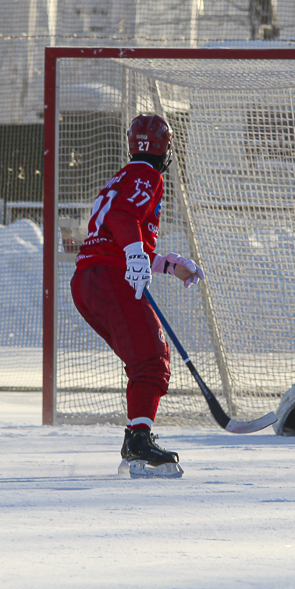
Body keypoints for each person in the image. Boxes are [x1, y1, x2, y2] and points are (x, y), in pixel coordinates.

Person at [69, 113, 205, 478]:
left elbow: (116, 230)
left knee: (143, 358)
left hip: (89, 280)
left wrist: (166, 265)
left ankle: (135, 438)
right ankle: (139, 442)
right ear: (165, 146)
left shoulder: (124, 176)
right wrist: (133, 256)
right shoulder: (148, 174)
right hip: (108, 276)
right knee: (152, 358)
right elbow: (124, 216)